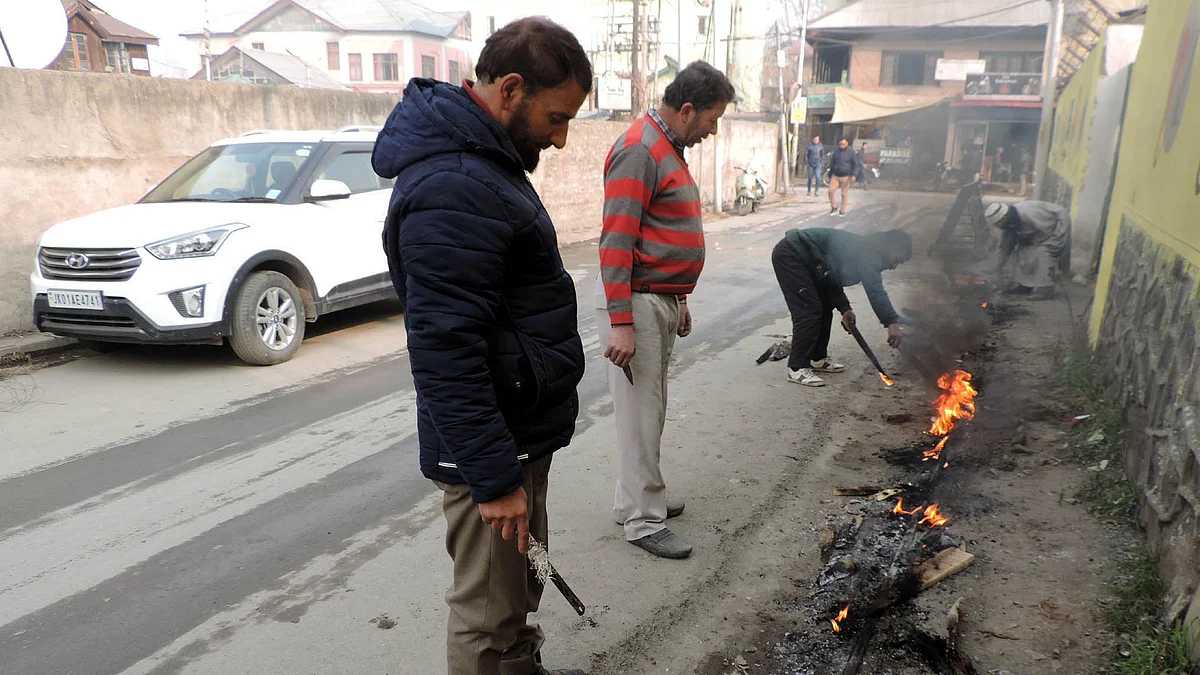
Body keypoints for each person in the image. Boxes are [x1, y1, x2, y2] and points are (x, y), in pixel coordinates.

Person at [372, 17, 591, 675]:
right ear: (512, 89)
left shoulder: (483, 163)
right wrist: (495, 478)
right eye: (555, 117)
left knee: (514, 590)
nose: (561, 137)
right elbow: (444, 347)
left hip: (513, 426)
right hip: (495, 440)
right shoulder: (456, 181)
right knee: (489, 612)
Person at [597, 61, 734, 560]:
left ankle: (633, 498)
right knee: (641, 414)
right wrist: (621, 321)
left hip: (658, 299)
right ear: (687, 109)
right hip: (635, 301)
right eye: (711, 119)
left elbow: (660, 232)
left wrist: (678, 298)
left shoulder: (666, 147)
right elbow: (617, 240)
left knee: (648, 412)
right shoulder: (640, 149)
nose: (713, 130)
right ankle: (643, 521)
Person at [771, 228, 911, 387]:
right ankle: (797, 368)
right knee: (809, 310)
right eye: (899, 260)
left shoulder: (867, 248)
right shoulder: (870, 252)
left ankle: (817, 358)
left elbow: (831, 279)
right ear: (895, 248)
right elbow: (875, 290)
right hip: (792, 255)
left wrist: (845, 309)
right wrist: (891, 323)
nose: (894, 267)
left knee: (824, 306)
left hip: (812, 264)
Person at [983, 201, 1071, 300]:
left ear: (1004, 217)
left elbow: (1045, 230)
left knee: (1043, 251)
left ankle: (1045, 289)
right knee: (1021, 251)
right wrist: (997, 267)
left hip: (1056, 225)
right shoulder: (1010, 222)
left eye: (998, 223)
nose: (999, 227)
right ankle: (1025, 285)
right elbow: (1006, 246)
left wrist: (1032, 242)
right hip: (1038, 232)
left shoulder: (1030, 213)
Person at [825, 138, 860, 216]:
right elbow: (832, 164)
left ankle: (842, 210)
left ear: (847, 143)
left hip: (846, 176)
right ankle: (834, 207)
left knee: (844, 194)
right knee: (830, 191)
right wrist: (830, 175)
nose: (841, 146)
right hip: (836, 175)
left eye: (843, 144)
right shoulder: (836, 152)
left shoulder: (851, 152)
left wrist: (854, 175)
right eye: (840, 144)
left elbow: (855, 165)